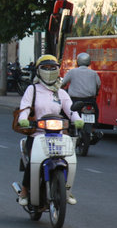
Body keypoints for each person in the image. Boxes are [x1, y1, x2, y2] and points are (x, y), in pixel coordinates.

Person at [16, 55, 84, 206]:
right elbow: (24, 107)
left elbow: (70, 109)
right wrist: (23, 118)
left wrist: (78, 120)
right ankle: (25, 191)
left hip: (57, 136)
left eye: (52, 68)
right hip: (36, 134)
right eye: (45, 68)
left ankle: (66, 189)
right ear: (38, 71)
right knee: (32, 162)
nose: (49, 71)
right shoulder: (32, 89)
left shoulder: (61, 92)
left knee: (68, 161)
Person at [62, 52, 102, 141]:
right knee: (96, 113)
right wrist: (96, 93)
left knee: (65, 113)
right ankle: (93, 129)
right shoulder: (93, 73)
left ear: (78, 61)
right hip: (90, 100)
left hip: (74, 100)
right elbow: (98, 85)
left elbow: (63, 83)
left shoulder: (72, 72)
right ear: (89, 62)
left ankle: (66, 130)